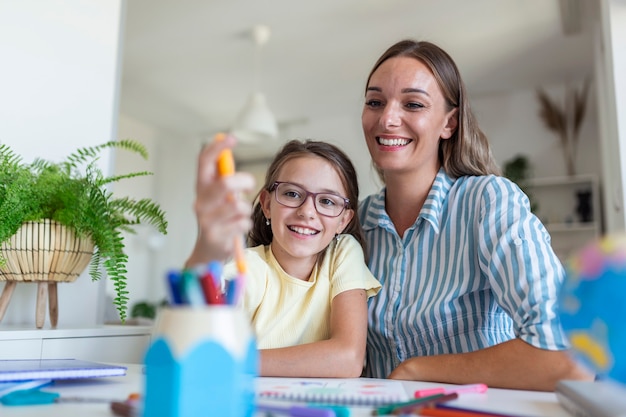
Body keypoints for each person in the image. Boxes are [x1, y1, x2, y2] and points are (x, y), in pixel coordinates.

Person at [358, 39, 593, 391]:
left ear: (449, 123)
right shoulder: (352, 224)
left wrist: (416, 370)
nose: (388, 118)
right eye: (375, 102)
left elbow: (570, 356)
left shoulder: (488, 202)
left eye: (413, 104)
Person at [185, 137, 381, 378]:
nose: (307, 211)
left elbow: (348, 359)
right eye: (291, 194)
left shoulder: (343, 253)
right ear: (267, 205)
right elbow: (196, 345)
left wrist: (232, 361)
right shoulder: (247, 268)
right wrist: (206, 248)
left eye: (327, 201)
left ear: (343, 220)